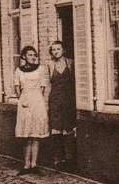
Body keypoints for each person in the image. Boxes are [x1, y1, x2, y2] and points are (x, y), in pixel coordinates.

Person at [13, 45, 50, 175]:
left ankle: (34, 164)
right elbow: (17, 88)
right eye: (30, 55)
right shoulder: (19, 71)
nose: (33, 57)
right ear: (24, 56)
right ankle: (26, 165)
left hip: (37, 101)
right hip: (24, 102)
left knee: (35, 135)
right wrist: (22, 100)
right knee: (26, 135)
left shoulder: (41, 69)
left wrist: (37, 100)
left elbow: (43, 88)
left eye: (35, 55)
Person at [46, 41, 77, 170]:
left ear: (63, 50)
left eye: (58, 49)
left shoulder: (70, 63)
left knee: (68, 129)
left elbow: (75, 82)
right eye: (53, 50)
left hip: (68, 101)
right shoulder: (49, 65)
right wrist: (46, 103)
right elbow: (48, 85)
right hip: (55, 101)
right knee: (56, 130)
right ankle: (58, 159)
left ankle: (69, 158)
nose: (56, 51)